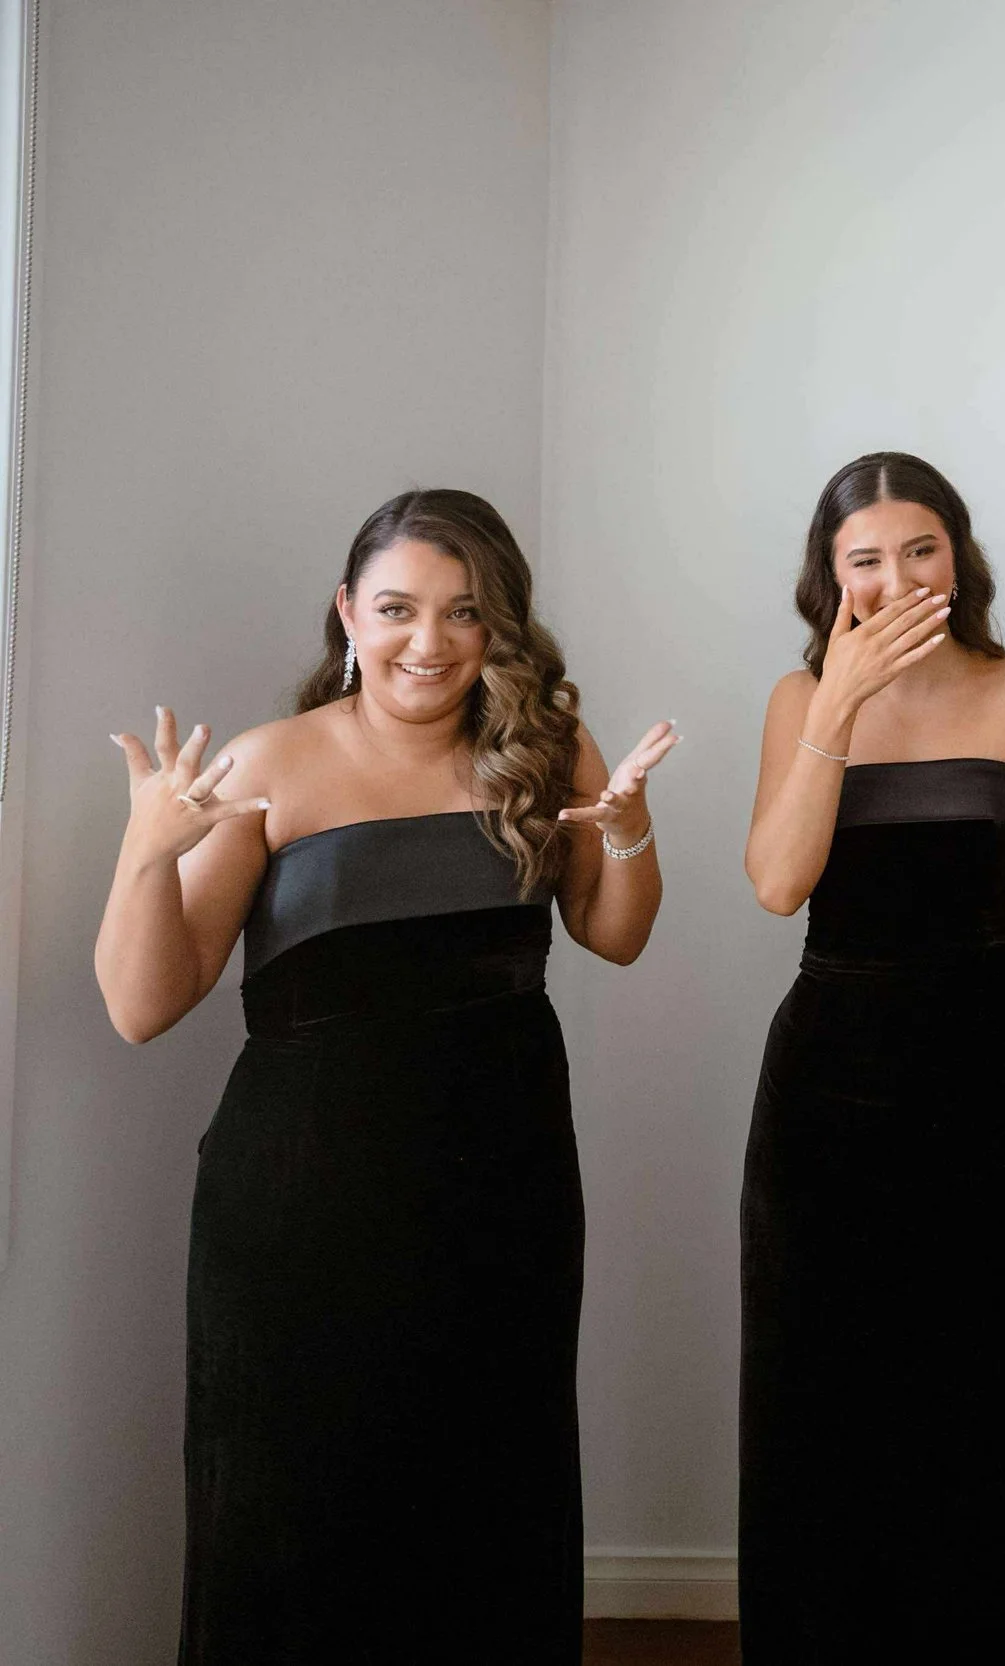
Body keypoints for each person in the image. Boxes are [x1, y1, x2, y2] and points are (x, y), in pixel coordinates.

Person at [94, 488, 674, 1662]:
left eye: (464, 613)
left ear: (498, 624)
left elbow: (615, 934)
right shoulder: (269, 764)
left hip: (500, 1199)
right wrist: (147, 853)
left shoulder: (545, 745)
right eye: (399, 608)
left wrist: (624, 825)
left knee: (482, 1502)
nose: (429, 641)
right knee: (300, 1513)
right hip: (304, 1212)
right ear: (347, 613)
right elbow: (143, 1004)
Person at [737, 452, 1005, 1660]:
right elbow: (777, 882)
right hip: (828, 1079)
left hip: (994, 1064)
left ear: (959, 557)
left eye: (921, 549)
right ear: (829, 576)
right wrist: (840, 702)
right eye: (866, 559)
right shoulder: (799, 703)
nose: (897, 576)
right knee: (823, 1398)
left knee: (986, 1392)